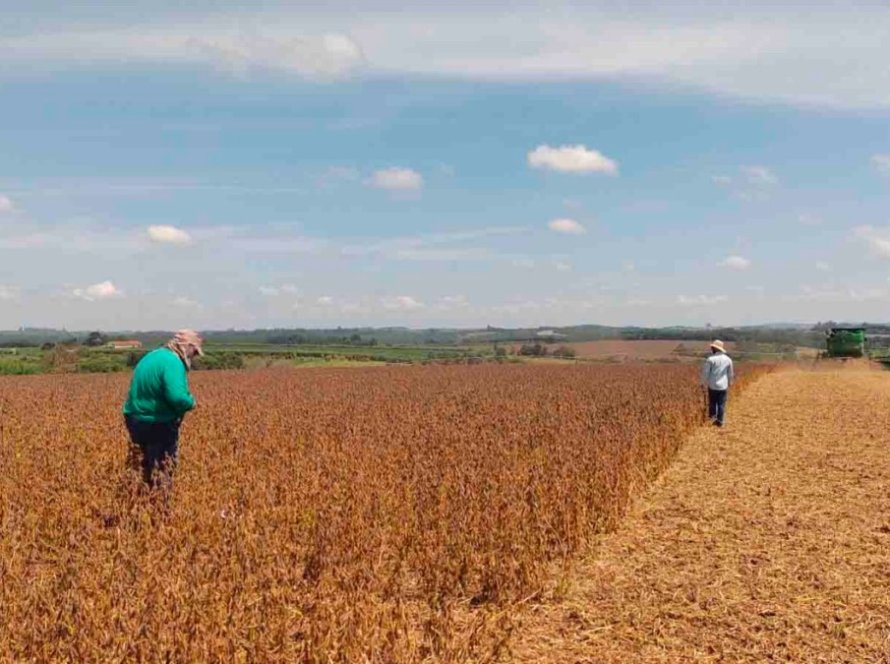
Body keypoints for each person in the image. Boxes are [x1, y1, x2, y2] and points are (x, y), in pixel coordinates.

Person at [123, 329, 204, 491]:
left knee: (141, 464)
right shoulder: (173, 362)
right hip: (157, 422)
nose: (193, 357)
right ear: (186, 346)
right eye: (194, 352)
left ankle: (137, 500)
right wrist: (191, 402)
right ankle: (160, 506)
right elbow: (177, 397)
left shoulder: (153, 356)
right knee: (163, 467)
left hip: (134, 418)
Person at [701, 339, 734, 427]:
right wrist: (730, 382)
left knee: (712, 403)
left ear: (715, 349)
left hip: (712, 385)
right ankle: (720, 421)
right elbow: (730, 373)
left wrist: (702, 383)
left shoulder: (710, 359)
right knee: (721, 404)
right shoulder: (728, 360)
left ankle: (712, 419)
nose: (711, 349)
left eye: (712, 347)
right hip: (723, 386)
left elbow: (705, 373)